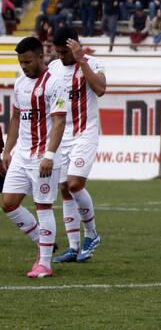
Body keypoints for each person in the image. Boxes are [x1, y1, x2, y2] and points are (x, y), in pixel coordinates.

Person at [1, 37, 67, 278]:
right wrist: (7, 151)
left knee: (43, 206)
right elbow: (16, 118)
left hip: (43, 157)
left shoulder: (54, 83)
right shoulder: (20, 84)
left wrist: (50, 155)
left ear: (41, 57)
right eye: (20, 62)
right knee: (8, 203)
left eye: (28, 61)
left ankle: (45, 263)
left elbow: (60, 121)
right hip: (21, 155)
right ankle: (43, 241)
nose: (24, 66)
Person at [46, 29, 106, 264]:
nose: (61, 57)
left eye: (65, 52)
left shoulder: (93, 62)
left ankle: (91, 234)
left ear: (75, 46)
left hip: (85, 133)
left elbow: (100, 89)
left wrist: (81, 60)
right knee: (63, 188)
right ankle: (73, 247)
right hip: (61, 135)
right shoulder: (53, 68)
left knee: (74, 183)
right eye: (58, 52)